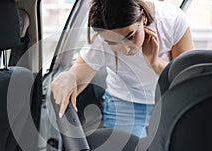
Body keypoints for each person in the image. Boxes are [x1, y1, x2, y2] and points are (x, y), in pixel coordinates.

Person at [51, 0, 194, 138]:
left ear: (143, 17)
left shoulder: (172, 20)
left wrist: (154, 62)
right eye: (112, 42)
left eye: (130, 36)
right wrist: (68, 77)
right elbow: (76, 77)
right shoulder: (100, 42)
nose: (125, 49)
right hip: (124, 104)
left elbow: (185, 80)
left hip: (168, 101)